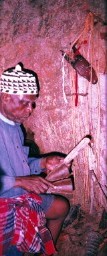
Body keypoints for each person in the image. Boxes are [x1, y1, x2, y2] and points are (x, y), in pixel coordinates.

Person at [0, 63, 70, 256]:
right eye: (25, 103)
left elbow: (20, 166)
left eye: (33, 103)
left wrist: (43, 163)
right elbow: (16, 178)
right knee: (13, 249)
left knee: (60, 207)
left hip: (18, 196)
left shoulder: (15, 127)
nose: (30, 109)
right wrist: (20, 182)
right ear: (6, 97)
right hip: (4, 202)